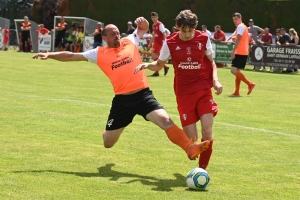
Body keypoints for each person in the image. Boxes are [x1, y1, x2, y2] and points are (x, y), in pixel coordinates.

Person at [32, 17, 210, 161]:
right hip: (122, 101)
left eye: (118, 33)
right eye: (113, 34)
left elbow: (142, 29)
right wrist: (49, 54)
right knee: (108, 143)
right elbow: (71, 56)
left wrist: (144, 24)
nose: (117, 36)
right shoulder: (99, 53)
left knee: (166, 121)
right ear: (105, 37)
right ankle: (115, 127)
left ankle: (189, 147)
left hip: (143, 96)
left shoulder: (129, 40)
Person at [134, 10, 223, 170]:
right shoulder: (170, 42)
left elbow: (212, 62)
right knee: (191, 139)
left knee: (207, 132)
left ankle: (202, 170)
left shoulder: (203, 38)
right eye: (184, 30)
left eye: (190, 30)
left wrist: (215, 81)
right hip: (184, 93)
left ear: (195, 28)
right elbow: (159, 64)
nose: (188, 34)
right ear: (177, 28)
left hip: (203, 89)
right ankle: (193, 153)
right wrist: (147, 65)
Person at [229, 12, 255, 96]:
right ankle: (237, 92)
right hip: (244, 52)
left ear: (240, 18)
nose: (234, 21)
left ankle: (250, 83)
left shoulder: (240, 26)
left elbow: (239, 39)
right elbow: (247, 38)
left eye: (236, 19)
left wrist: (233, 51)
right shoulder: (244, 27)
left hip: (240, 52)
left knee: (233, 70)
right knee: (237, 71)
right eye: (233, 19)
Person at [148, 12, 169, 76]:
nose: (154, 19)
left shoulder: (160, 25)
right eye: (152, 17)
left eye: (155, 17)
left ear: (157, 17)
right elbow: (153, 35)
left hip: (159, 43)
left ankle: (163, 68)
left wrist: (165, 42)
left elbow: (164, 33)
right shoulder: (154, 25)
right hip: (156, 42)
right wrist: (150, 43)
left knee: (154, 57)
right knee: (155, 57)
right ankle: (163, 68)